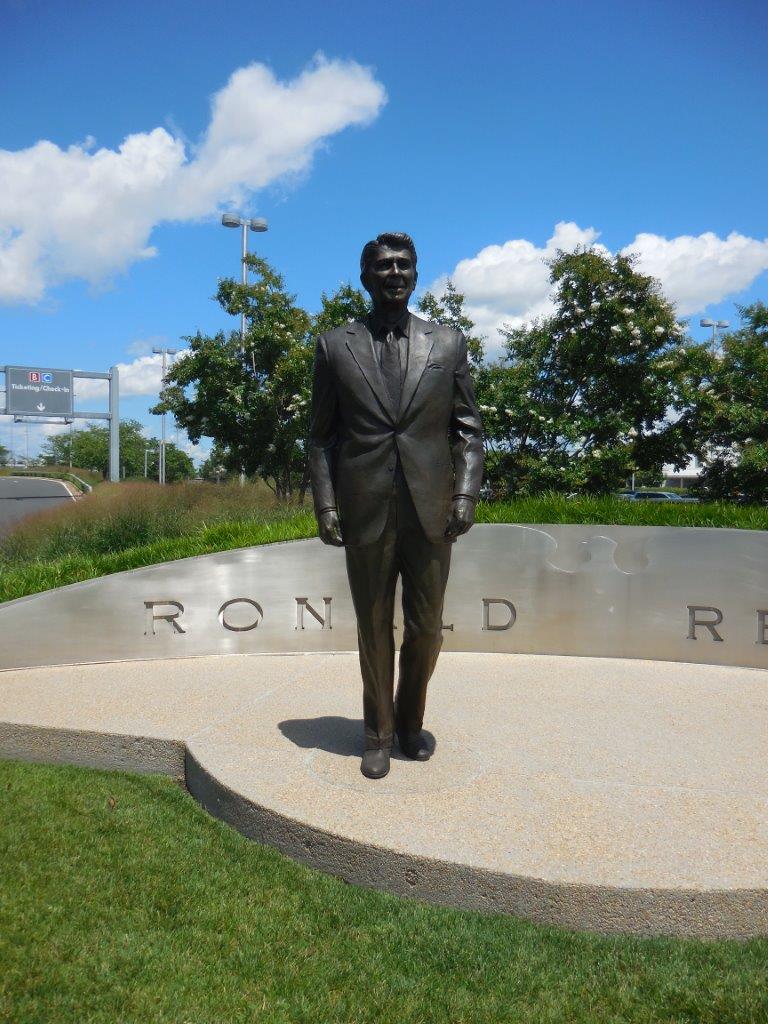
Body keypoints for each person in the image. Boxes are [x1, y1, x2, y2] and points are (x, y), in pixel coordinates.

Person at [309, 232, 484, 779]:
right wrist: (326, 506)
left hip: (432, 509)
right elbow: (320, 438)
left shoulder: (448, 343)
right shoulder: (335, 345)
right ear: (365, 276)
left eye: (403, 264)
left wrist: (464, 493)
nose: (394, 272)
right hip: (365, 508)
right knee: (373, 626)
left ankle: (411, 722)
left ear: (415, 274)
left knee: (427, 627)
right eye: (382, 265)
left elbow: (469, 432)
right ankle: (377, 733)